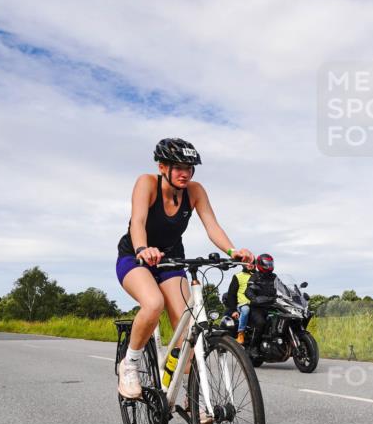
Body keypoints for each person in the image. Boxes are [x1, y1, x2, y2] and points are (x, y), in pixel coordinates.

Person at [115, 138, 253, 406]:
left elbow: (212, 225)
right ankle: (129, 365)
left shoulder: (195, 191)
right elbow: (138, 221)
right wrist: (143, 248)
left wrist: (232, 250)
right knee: (153, 304)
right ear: (162, 166)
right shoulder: (147, 183)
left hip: (171, 259)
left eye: (189, 168)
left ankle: (189, 393)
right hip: (136, 258)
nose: (185, 173)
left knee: (189, 329)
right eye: (178, 167)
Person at [243, 253, 278, 349]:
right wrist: (255, 299)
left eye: (270, 263)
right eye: (267, 263)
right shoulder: (255, 276)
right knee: (261, 323)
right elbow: (248, 290)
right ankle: (253, 347)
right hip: (258, 307)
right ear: (260, 264)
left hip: (272, 305)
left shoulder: (274, 277)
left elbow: (282, 288)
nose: (269, 266)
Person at [223, 259, 254, 345]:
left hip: (255, 303)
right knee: (245, 310)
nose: (250, 265)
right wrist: (233, 310)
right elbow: (231, 294)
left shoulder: (256, 275)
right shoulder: (238, 276)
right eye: (248, 263)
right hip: (243, 303)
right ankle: (241, 333)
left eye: (252, 263)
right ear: (243, 264)